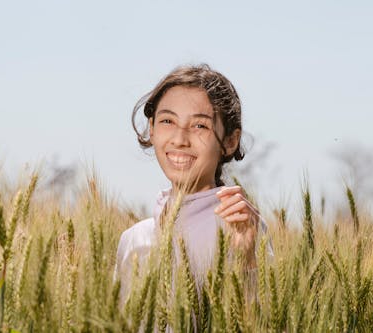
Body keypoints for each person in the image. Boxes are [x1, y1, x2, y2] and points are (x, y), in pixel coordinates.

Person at [114, 64, 270, 302]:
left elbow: (261, 323)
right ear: (152, 129)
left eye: (200, 125)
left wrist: (246, 261)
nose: (179, 139)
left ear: (230, 141)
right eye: (168, 121)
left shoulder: (240, 228)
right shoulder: (134, 240)